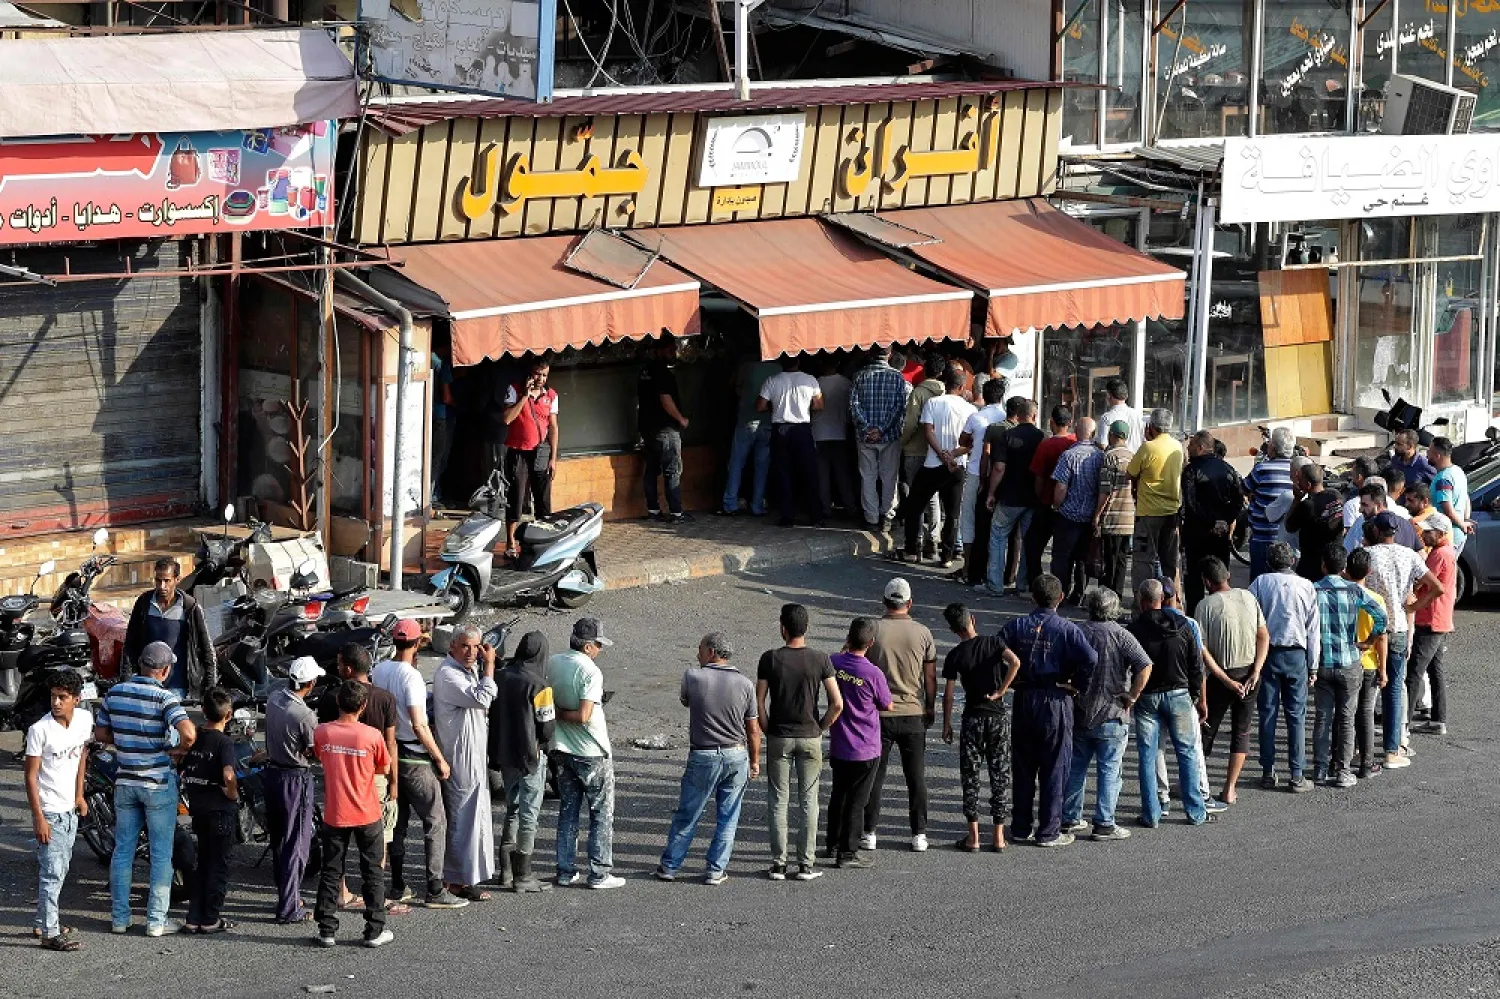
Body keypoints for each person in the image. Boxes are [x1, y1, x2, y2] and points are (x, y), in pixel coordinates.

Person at [94, 640, 196, 935]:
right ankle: (155, 921)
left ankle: (119, 919)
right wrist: (175, 750)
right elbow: (188, 734)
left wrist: (127, 743)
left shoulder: (115, 693)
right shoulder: (165, 699)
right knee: (162, 853)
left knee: (123, 850)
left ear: (140, 665)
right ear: (165, 671)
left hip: (125, 781)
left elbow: (101, 733)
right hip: (157, 783)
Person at [999, 575, 1098, 847]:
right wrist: (1077, 685)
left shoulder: (1017, 626)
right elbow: (1091, 658)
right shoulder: (1067, 630)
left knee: (1023, 766)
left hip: (1025, 697)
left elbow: (995, 650)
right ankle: (1049, 831)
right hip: (1056, 698)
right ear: (1061, 598)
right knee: (1055, 767)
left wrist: (1008, 681)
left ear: (1033, 597)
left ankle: (1020, 826)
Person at [372, 621, 463, 909]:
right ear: (417, 644)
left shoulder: (380, 669)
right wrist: (439, 757)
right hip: (414, 757)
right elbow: (419, 724)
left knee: (396, 822)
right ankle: (435, 888)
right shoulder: (410, 676)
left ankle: (398, 884)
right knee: (435, 822)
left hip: (389, 756)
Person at [656, 633, 761, 885]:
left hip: (703, 754)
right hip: (736, 754)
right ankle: (715, 870)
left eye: (700, 649)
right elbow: (753, 729)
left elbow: (686, 701)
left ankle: (670, 866)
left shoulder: (693, 676)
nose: (697, 653)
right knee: (728, 817)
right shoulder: (745, 684)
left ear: (712, 651)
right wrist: (755, 761)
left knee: (688, 814)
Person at [757, 603, 842, 882]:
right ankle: (806, 864)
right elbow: (836, 703)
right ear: (806, 628)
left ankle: (778, 864)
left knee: (778, 800)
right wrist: (820, 728)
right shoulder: (820, 659)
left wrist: (768, 728)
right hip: (810, 737)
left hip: (779, 736)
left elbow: (759, 701)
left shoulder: (770, 658)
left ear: (783, 627)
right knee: (809, 801)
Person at [1060, 588, 1150, 843]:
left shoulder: (1077, 631)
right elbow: (1145, 665)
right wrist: (1132, 695)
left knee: (1076, 767)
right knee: (1110, 770)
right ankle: (1104, 823)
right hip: (1112, 712)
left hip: (1080, 710)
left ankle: (1070, 818)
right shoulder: (1122, 635)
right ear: (1114, 609)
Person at [317, 644, 402, 913]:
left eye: (340, 664)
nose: (337, 668)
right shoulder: (386, 698)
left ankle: (341, 893)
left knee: (336, 849)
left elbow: (320, 743)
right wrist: (394, 782)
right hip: (375, 777)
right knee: (379, 841)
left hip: (339, 778)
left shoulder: (331, 698)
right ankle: (376, 901)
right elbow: (391, 743)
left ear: (349, 669)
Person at [313, 680, 394, 949]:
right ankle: (374, 930)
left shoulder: (322, 732)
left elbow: (319, 757)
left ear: (338, 702)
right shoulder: (372, 735)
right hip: (367, 811)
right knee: (372, 871)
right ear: (363, 706)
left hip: (335, 813)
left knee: (331, 871)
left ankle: (326, 930)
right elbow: (383, 768)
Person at [1361, 511, 1444, 767]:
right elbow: (1437, 587)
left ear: (1376, 530)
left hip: (1369, 627)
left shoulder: (1368, 556)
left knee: (1365, 692)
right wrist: (1414, 606)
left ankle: (1357, 749)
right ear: (1396, 531)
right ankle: (1391, 750)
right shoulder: (1409, 555)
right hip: (1397, 625)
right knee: (1394, 689)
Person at [862, 577, 938, 853]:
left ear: (884, 602)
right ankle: (919, 833)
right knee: (916, 776)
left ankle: (869, 831)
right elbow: (929, 676)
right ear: (909, 603)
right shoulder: (923, 633)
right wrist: (930, 706)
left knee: (875, 775)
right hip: (912, 711)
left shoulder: (872, 631)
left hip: (878, 714)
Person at [1126, 580, 1209, 827]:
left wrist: (1131, 694)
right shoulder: (1183, 626)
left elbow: (1129, 666)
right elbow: (1196, 664)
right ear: (1162, 599)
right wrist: (1194, 695)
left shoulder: (1135, 629)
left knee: (1149, 754)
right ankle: (1195, 811)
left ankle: (1152, 813)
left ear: (1142, 600)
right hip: (1179, 694)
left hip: (1147, 697)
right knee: (1187, 752)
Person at [940, 603, 1021, 852]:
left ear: (954, 630)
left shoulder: (955, 655)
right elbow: (1015, 662)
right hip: (997, 716)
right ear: (972, 619)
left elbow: (949, 695)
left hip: (972, 717)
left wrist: (946, 724)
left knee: (971, 776)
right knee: (1000, 775)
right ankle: (998, 835)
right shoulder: (994, 644)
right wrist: (1002, 690)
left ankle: (973, 836)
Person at [551, 618, 624, 889]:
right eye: (599, 646)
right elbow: (584, 715)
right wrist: (560, 714)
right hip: (591, 751)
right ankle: (600, 873)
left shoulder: (554, 662)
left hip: (561, 748)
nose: (600, 651)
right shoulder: (590, 671)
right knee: (601, 813)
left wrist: (553, 715)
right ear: (589, 646)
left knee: (568, 811)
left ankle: (565, 871)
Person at [1312, 544, 1389, 789]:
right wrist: (1368, 642)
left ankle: (1320, 770)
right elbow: (1382, 618)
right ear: (1343, 566)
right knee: (1347, 718)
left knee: (1323, 718)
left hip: (1322, 662)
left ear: (1324, 565)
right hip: (1349, 661)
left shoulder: (1312, 590)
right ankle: (1343, 771)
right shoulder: (1355, 591)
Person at [1194, 557, 1268, 805]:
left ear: (1207, 581)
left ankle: (1196, 783)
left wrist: (1224, 679)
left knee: (1205, 729)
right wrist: (1256, 670)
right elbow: (1263, 636)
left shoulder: (1205, 605)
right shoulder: (1248, 597)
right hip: (1249, 674)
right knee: (1242, 731)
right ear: (1227, 576)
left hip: (1221, 676)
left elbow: (1202, 650)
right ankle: (1229, 788)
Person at [25, 669, 90, 951]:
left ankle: (43, 920)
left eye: (62, 697)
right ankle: (51, 933)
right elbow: (30, 776)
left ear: (76, 699)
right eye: (53, 697)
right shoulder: (39, 730)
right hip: (49, 811)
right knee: (52, 872)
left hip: (69, 810)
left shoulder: (85, 720)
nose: (56, 702)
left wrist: (79, 796)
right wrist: (39, 817)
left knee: (61, 869)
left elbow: (82, 757)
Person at [1247, 542, 1320, 791]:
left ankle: (1268, 771)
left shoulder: (1259, 583)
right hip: (1297, 655)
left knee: (1267, 713)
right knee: (1296, 715)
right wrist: (1313, 666)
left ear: (1269, 562)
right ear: (1293, 562)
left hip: (1268, 654)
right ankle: (1297, 774)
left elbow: (1250, 621)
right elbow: (1313, 630)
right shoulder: (1307, 586)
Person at [433, 624, 498, 900]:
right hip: (460, 758)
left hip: (473, 755)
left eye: (476, 647)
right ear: (452, 647)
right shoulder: (449, 675)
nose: (472, 652)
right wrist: (490, 666)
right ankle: (454, 879)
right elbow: (484, 697)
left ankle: (469, 876)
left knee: (475, 817)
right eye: (465, 647)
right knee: (462, 818)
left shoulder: (466, 671)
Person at [488, 630, 556, 893]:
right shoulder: (540, 685)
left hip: (504, 755)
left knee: (512, 809)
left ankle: (505, 871)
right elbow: (547, 728)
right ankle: (523, 875)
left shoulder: (501, 676)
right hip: (530, 757)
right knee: (529, 814)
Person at [825, 618, 892, 870]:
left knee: (838, 794)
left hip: (840, 742)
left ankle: (832, 842)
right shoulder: (873, 673)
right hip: (865, 745)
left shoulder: (834, 662)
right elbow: (887, 704)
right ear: (871, 643)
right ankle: (848, 851)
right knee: (857, 800)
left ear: (848, 638)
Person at [900, 366, 975, 566]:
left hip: (933, 463)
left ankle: (910, 549)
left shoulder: (933, 403)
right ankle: (947, 556)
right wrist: (952, 455)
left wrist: (942, 454)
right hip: (957, 466)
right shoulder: (970, 409)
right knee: (952, 513)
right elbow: (970, 443)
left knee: (915, 506)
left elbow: (928, 431)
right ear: (961, 386)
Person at [179, 687, 239, 934]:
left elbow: (181, 760)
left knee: (201, 863)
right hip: (220, 811)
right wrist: (232, 792)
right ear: (229, 715)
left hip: (199, 809)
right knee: (218, 866)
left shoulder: (196, 737)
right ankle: (211, 918)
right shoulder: (224, 742)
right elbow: (228, 774)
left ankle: (193, 917)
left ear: (203, 711)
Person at [122, 556, 217, 699]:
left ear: (177, 580)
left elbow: (207, 650)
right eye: (158, 580)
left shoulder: (190, 607)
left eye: (167, 581)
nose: (162, 586)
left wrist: (210, 690)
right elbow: (130, 644)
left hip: (177, 687)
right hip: (147, 684)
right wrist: (125, 681)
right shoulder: (144, 604)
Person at [498, 356, 559, 560]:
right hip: (518, 450)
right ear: (529, 374)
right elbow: (507, 419)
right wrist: (524, 396)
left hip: (541, 451)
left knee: (542, 498)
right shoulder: (514, 390)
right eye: (537, 374)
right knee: (516, 495)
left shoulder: (551, 395)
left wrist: (553, 457)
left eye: (544, 375)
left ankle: (544, 542)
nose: (540, 378)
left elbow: (553, 427)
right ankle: (510, 542)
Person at [1179, 430, 1245, 613]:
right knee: (1219, 577)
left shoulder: (1191, 471)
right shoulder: (1228, 469)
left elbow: (1191, 504)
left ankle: (1196, 619)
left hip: (1196, 534)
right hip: (1220, 535)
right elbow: (1239, 500)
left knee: (1194, 582)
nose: (1188, 448)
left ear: (1200, 448)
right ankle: (1223, 615)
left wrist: (1212, 522)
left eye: (1191, 445)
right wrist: (1225, 521)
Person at [984, 398, 1044, 595]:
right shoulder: (1041, 438)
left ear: (1018, 415)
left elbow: (999, 467)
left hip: (1009, 496)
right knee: (1028, 540)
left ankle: (995, 584)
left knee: (998, 536)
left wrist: (991, 493)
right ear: (1034, 416)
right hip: (1032, 498)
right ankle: (1022, 584)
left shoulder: (1007, 435)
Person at [849, 345, 911, 532]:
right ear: (889, 355)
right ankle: (887, 516)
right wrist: (882, 429)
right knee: (889, 475)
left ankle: (871, 517)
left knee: (867, 476)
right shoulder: (897, 377)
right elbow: (899, 409)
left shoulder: (859, 376)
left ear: (871, 353)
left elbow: (854, 406)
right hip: (889, 435)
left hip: (865, 436)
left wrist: (869, 428)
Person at [759, 355, 825, 527]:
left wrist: (775, 408)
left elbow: (760, 406)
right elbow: (819, 405)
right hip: (802, 429)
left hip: (780, 429)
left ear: (781, 364)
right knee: (809, 472)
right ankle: (815, 516)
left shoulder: (772, 380)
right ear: (798, 362)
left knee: (783, 473)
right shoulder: (810, 380)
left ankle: (787, 517)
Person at [1409, 512, 1457, 737]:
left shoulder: (1439, 554)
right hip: (1441, 619)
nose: (1423, 534)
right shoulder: (1446, 552)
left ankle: (1402, 723)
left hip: (1430, 619)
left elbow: (1423, 583)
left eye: (1428, 531)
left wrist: (1413, 602)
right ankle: (1438, 720)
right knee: (1435, 671)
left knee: (1414, 672)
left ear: (1439, 533)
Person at [1127, 408, 1184, 594]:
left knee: (1144, 562)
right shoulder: (1177, 446)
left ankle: (1142, 606)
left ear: (1151, 426)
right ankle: (1173, 603)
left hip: (1148, 513)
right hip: (1171, 512)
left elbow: (1130, 472)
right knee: (1170, 562)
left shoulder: (1148, 447)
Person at [957, 378, 1008, 579]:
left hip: (976, 473)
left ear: (983, 397)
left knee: (969, 520)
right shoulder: (1006, 417)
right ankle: (994, 570)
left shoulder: (976, 417)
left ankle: (968, 567)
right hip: (1000, 474)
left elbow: (963, 441)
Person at [639, 337, 692, 524]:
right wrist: (681, 419)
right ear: (659, 351)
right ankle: (676, 513)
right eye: (670, 350)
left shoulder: (645, 370)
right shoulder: (662, 372)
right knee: (672, 471)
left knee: (652, 471)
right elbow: (665, 398)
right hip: (665, 429)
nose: (674, 353)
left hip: (648, 429)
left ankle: (653, 511)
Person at [899, 355, 947, 559]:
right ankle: (933, 540)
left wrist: (903, 442)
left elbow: (910, 423)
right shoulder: (946, 393)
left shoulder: (918, 393)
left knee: (915, 497)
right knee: (934, 498)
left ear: (925, 371)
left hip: (916, 449)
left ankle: (916, 540)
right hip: (938, 452)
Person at [719, 354, 780, 517]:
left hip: (746, 420)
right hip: (767, 423)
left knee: (737, 463)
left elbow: (734, 386)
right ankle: (758, 505)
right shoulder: (777, 368)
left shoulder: (746, 366)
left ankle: (730, 503)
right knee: (762, 467)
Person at [1024, 406, 1077, 591]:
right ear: (1070, 423)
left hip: (1047, 502)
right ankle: (1066, 587)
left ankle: (1036, 584)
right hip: (1070, 505)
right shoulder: (1075, 443)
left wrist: (1040, 497)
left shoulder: (1045, 445)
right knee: (1065, 552)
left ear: (1051, 422)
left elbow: (1038, 477)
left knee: (1033, 545)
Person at [1049, 418, 1102, 603]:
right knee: (1082, 558)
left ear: (1077, 432)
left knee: (1062, 557)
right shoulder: (1100, 456)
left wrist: (1056, 505)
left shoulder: (1068, 456)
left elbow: (1061, 487)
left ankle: (1060, 594)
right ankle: (1079, 594)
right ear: (1093, 433)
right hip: (1090, 515)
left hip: (1069, 514)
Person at [1348, 548, 1389, 779]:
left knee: (1345, 712)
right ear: (1369, 571)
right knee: (1366, 713)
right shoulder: (1376, 599)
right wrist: (1383, 670)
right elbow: (1382, 637)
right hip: (1370, 662)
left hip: (1346, 660)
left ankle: (1341, 759)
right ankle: (1367, 762)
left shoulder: (1342, 596)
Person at [1093, 421, 1137, 601]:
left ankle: (1105, 600)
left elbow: (1105, 491)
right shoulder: (1134, 456)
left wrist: (1096, 516)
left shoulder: (1109, 456)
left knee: (1108, 561)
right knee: (1121, 561)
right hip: (1129, 519)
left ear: (1112, 435)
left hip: (1112, 517)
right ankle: (1117, 597)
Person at [1244, 427, 1296, 579]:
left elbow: (1244, 488)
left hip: (1262, 537)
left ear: (1272, 447)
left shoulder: (1262, 469)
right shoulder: (1298, 469)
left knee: (1259, 582)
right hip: (1288, 539)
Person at [812, 355, 857, 518]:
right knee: (842, 473)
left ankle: (825, 508)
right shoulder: (846, 383)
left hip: (819, 432)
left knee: (822, 474)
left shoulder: (815, 382)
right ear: (838, 363)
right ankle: (850, 506)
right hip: (840, 432)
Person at [1287, 463, 1344, 581]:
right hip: (1334, 562)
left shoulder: (1307, 505)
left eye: (1299, 480)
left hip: (1311, 566)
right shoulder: (1335, 496)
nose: (1297, 483)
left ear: (1308, 484)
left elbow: (1289, 526)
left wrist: (1296, 499)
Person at [1345, 481, 1422, 553]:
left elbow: (1350, 552)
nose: (1360, 510)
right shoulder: (1407, 524)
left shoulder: (1371, 527)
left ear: (1378, 506)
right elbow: (1421, 554)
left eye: (1365, 505)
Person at [1429, 438, 1473, 556]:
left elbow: (1448, 510)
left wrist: (1462, 524)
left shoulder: (1444, 478)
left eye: (1429, 451)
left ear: (1437, 455)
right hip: (1458, 535)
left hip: (1447, 536)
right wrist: (1465, 519)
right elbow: (1466, 498)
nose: (1427, 454)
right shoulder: (1458, 471)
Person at [430, 347, 456, 505]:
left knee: (432, 456)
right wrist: (457, 403)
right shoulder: (442, 364)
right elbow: (446, 397)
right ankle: (432, 495)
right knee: (439, 457)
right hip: (442, 415)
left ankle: (432, 493)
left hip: (428, 414)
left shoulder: (427, 356)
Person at [1093, 377, 1145, 452]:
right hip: (1135, 460)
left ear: (1108, 396)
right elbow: (1143, 440)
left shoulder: (1107, 417)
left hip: (1116, 461)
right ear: (1126, 396)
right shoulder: (1137, 415)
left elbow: (1103, 444)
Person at [1342, 457, 1380, 528]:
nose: (1351, 474)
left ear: (1359, 477)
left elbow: (1348, 533)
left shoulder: (1351, 504)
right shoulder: (1385, 499)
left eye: (1352, 472)